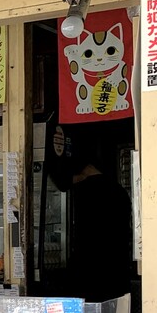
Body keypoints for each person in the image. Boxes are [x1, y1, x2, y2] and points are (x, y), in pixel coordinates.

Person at [47, 121, 133, 303]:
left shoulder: (86, 192)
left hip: (90, 282)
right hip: (117, 279)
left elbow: (85, 240)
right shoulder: (118, 190)